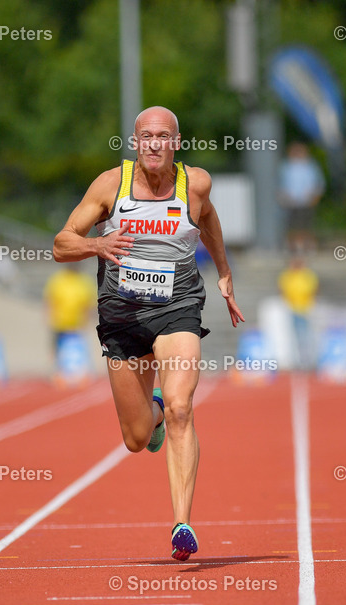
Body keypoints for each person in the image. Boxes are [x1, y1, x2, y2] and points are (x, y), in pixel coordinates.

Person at [53, 106, 244, 561]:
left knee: (182, 406)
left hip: (177, 304)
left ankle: (182, 523)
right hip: (121, 314)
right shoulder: (109, 186)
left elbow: (209, 221)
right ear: (135, 143)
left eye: (164, 136)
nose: (155, 143)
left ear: (177, 143)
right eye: (147, 136)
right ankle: (151, 414)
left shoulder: (194, 184)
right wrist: (97, 244)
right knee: (137, 438)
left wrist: (223, 273)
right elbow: (61, 244)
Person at [279, 142, 325, 252]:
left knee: (306, 224)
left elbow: (319, 183)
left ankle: (307, 246)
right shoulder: (285, 167)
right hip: (291, 202)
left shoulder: (311, 166)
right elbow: (280, 183)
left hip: (307, 201)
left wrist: (315, 196)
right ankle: (293, 247)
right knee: (291, 225)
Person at [44, 262, 96, 357]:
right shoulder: (58, 279)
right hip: (60, 324)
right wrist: (50, 318)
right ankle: (56, 368)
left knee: (78, 353)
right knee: (57, 352)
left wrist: (86, 322)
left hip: (78, 326)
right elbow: (50, 300)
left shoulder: (85, 280)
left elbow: (89, 304)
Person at [278, 254, 318, 370]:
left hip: (306, 309)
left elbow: (313, 289)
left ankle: (307, 360)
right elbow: (283, 289)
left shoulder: (307, 275)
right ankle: (297, 360)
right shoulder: (288, 275)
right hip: (293, 309)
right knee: (294, 337)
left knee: (305, 336)